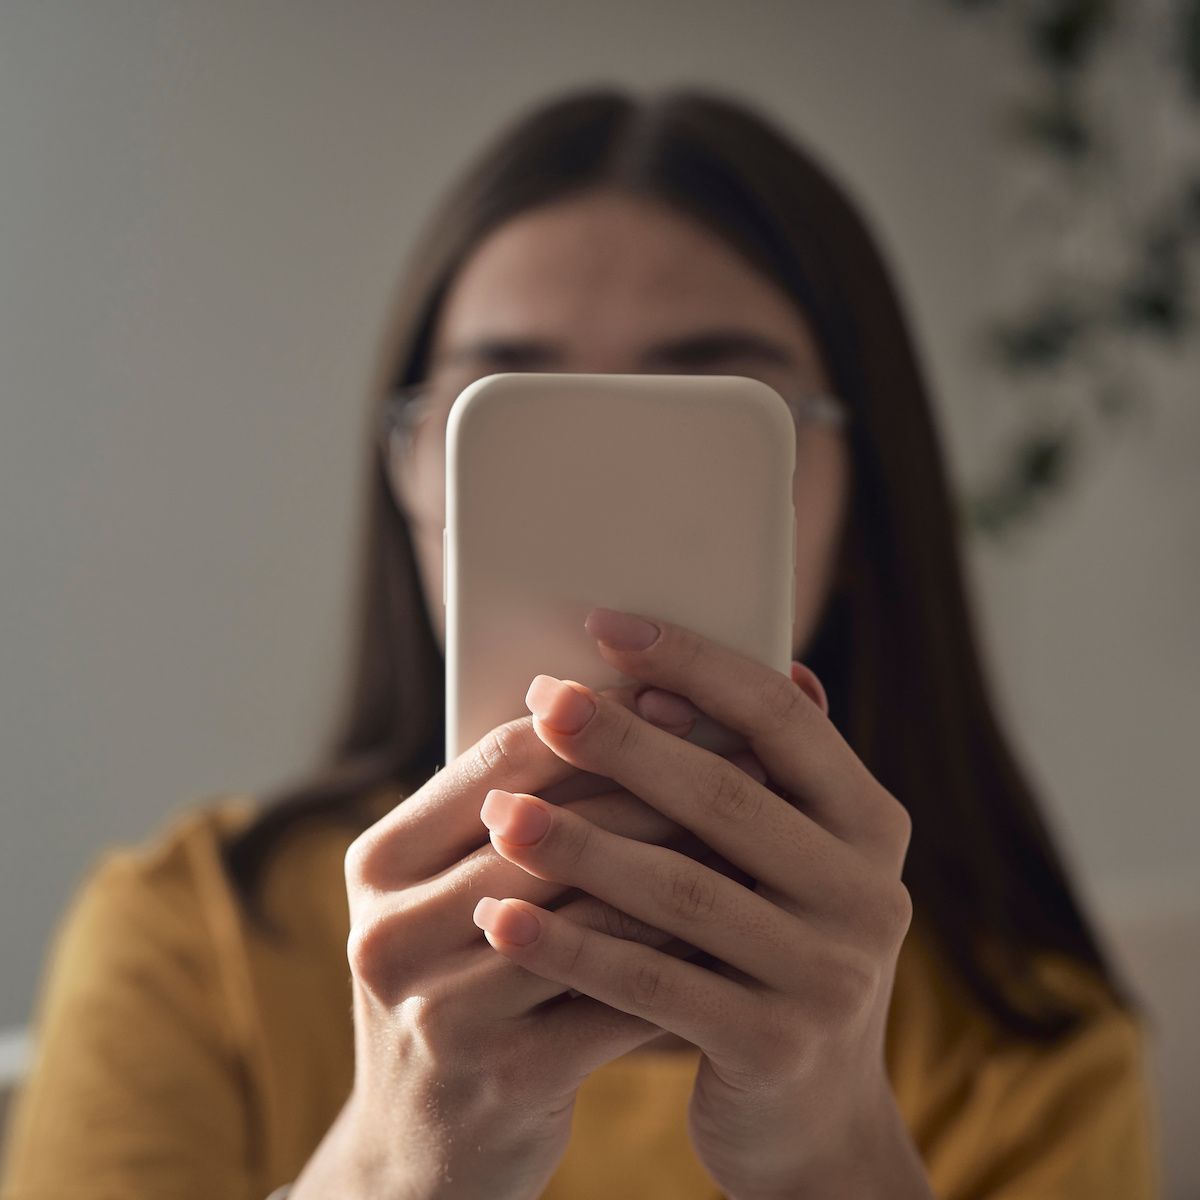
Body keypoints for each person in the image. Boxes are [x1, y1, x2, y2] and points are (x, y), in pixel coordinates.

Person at [0, 86, 1160, 1200]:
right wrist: (392, 1167)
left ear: (860, 494)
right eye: (511, 410)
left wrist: (835, 1162)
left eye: (708, 411)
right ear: (409, 475)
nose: (605, 500)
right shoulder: (193, 939)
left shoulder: (1029, 1038)